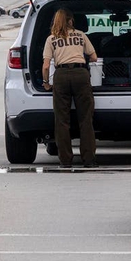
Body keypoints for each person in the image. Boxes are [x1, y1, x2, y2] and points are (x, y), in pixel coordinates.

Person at [42, 9, 98, 168]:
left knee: (62, 121)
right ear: (71, 21)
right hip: (81, 74)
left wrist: (46, 83)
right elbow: (94, 57)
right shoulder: (81, 35)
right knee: (86, 119)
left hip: (61, 76)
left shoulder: (51, 39)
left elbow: (46, 66)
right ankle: (89, 160)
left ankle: (65, 161)